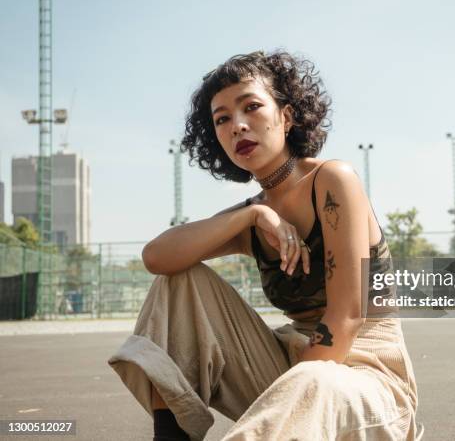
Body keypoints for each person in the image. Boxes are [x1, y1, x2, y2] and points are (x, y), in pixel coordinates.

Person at [108, 50, 424, 441]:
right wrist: (251, 216)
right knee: (178, 281)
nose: (238, 126)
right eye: (222, 119)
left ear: (286, 117)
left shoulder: (333, 180)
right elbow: (156, 257)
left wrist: (288, 399)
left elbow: (346, 318)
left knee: (312, 381)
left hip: (364, 378)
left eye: (251, 107)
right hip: (290, 367)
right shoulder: (254, 218)